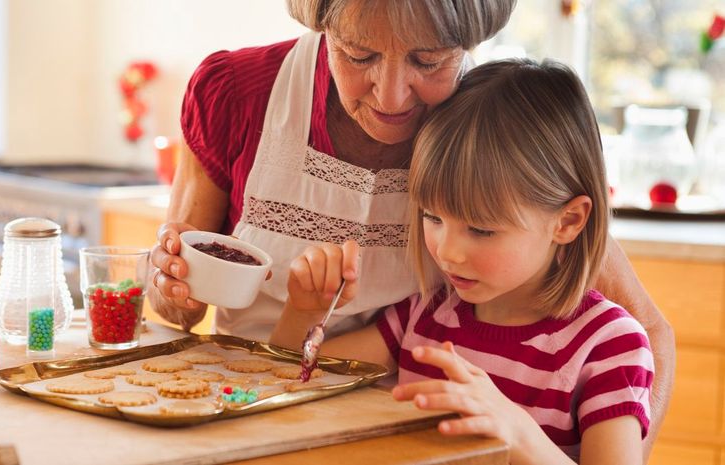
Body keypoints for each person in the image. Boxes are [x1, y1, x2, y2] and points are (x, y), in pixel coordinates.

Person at [148, 0, 673, 457]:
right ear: (323, 26)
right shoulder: (238, 94)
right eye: (359, 55)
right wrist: (175, 287)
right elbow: (197, 309)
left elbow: (646, 332)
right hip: (250, 415)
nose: (392, 96)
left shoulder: (494, 134)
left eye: (428, 60)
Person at [270, 58, 653, 465]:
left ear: (568, 221)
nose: (448, 252)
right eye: (432, 217)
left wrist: (517, 431)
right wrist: (304, 312)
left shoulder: (608, 347)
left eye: (482, 230)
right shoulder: (425, 317)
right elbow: (294, 379)